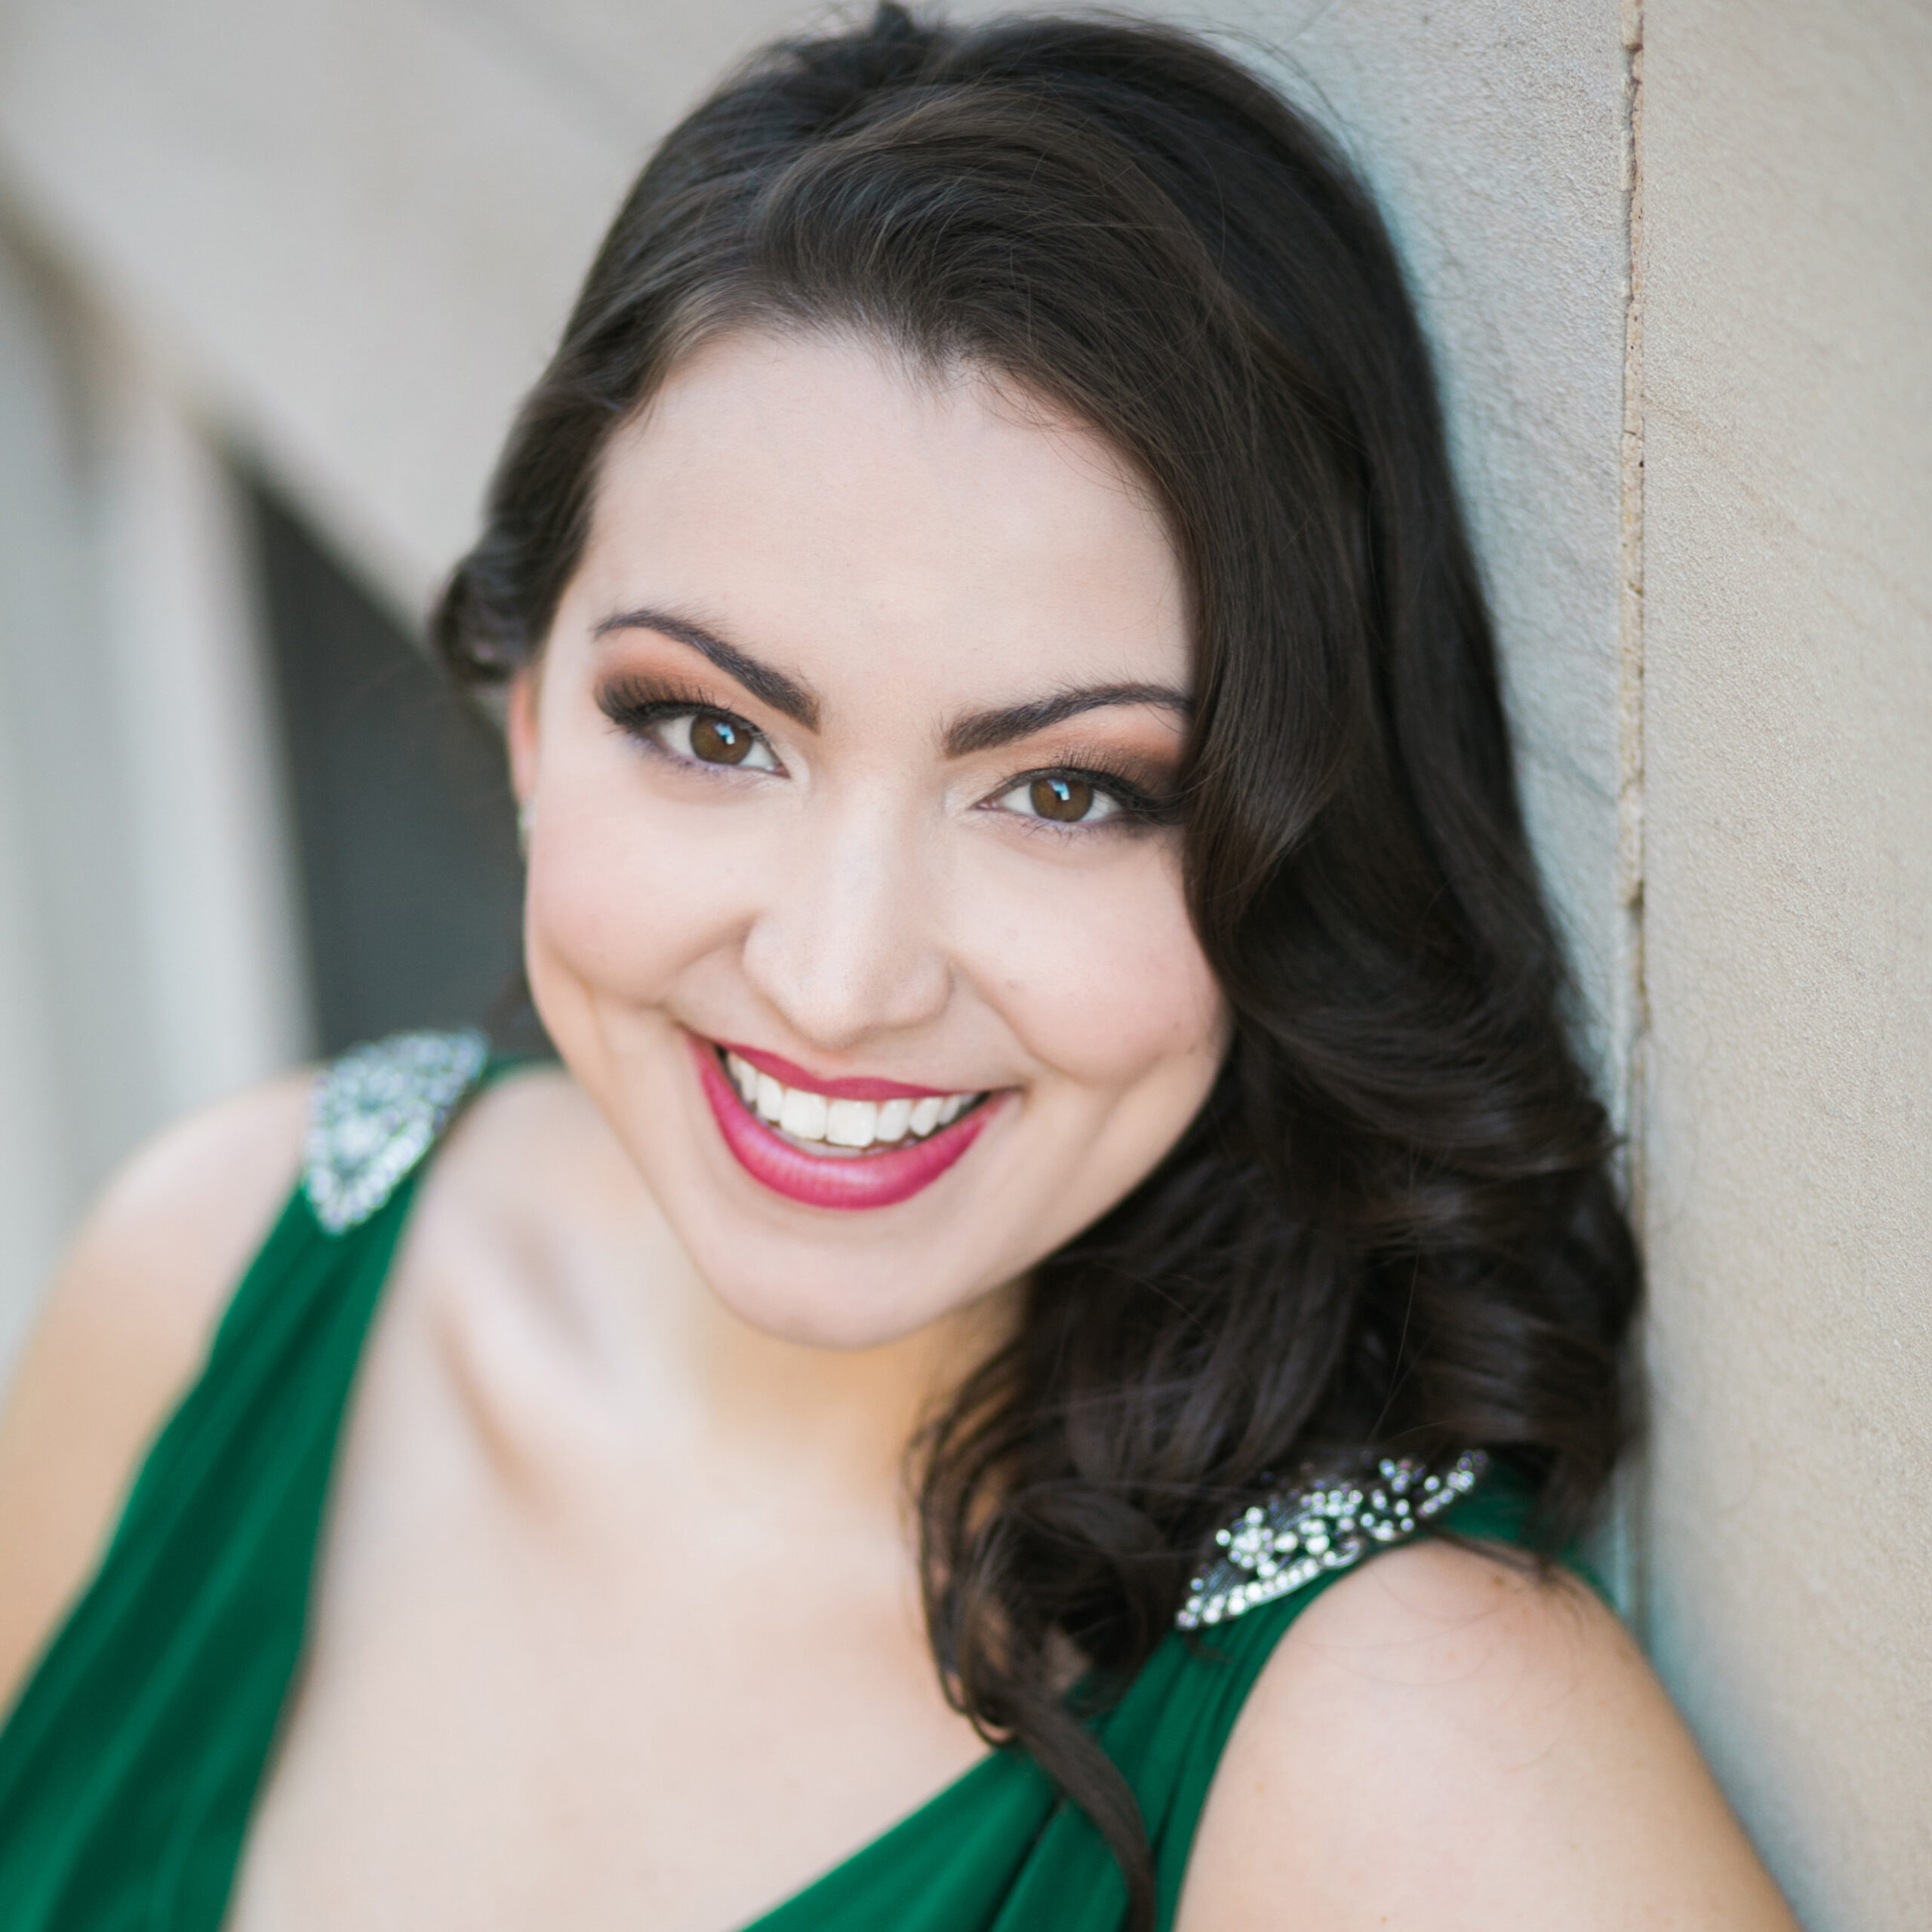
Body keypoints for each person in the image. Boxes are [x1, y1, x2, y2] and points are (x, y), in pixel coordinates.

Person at [0, 8, 1798, 1929]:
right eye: (707, 729)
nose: (838, 979)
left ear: (1294, 852)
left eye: (1066, 790)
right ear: (527, 706)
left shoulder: (1422, 1754)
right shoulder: (219, 1263)